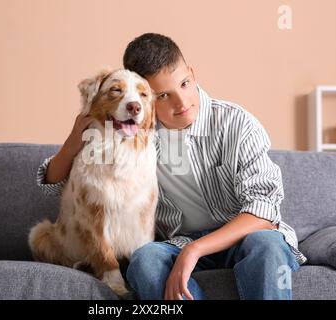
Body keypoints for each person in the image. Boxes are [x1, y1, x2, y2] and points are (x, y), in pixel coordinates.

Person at [37, 33, 307, 300]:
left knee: (266, 245)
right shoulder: (136, 136)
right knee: (145, 261)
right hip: (180, 242)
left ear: (191, 72)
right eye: (163, 95)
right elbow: (54, 185)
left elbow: (264, 210)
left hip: (247, 236)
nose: (181, 102)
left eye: (185, 84)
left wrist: (195, 250)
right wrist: (74, 141)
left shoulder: (236, 124)